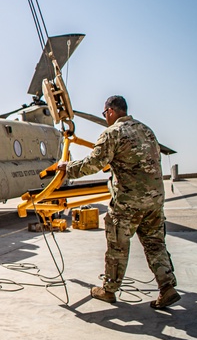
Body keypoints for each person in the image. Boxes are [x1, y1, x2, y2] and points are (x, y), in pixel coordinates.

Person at [57, 95, 180, 309]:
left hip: (128, 203)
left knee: (117, 247)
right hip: (154, 202)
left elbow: (94, 163)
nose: (105, 118)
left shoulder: (112, 133)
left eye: (105, 114)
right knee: (155, 244)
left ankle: (109, 290)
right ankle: (167, 287)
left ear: (111, 111)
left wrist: (68, 168)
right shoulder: (146, 131)